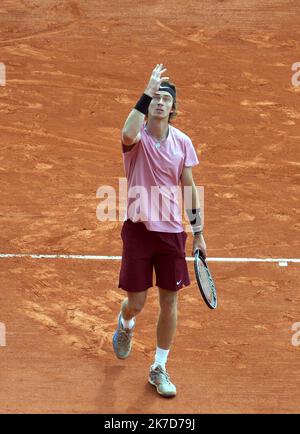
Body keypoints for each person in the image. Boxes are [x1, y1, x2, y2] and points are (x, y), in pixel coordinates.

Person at [113, 64, 207, 398]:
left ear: (173, 108)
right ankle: (125, 323)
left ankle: (159, 366)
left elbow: (189, 187)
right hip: (138, 230)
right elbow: (126, 132)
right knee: (136, 303)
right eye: (156, 98)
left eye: (166, 99)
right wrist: (146, 91)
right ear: (148, 102)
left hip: (171, 233)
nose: (160, 103)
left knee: (170, 302)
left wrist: (198, 232)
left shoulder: (183, 143)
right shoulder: (136, 140)